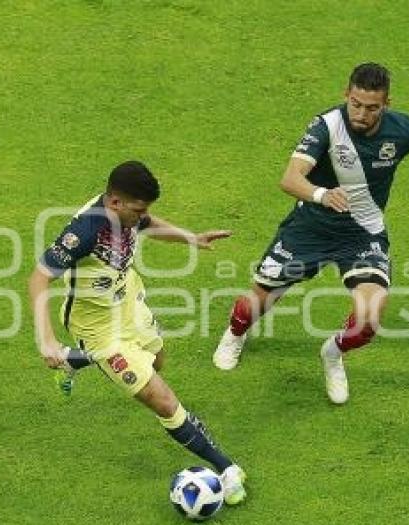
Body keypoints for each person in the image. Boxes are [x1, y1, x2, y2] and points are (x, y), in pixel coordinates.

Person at [213, 62, 409, 404]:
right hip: (309, 229)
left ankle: (333, 354)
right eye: (356, 103)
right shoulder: (327, 126)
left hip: (362, 234)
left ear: (386, 104)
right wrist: (323, 195)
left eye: (372, 108)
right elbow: (290, 178)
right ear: (346, 96)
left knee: (369, 320)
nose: (362, 114)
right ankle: (235, 334)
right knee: (253, 306)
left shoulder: (406, 130)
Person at [29, 161, 247, 504]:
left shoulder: (125, 209)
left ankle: (73, 362)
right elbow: (39, 276)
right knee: (161, 399)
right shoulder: (84, 232)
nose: (142, 217)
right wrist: (46, 338)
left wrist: (190, 238)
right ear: (115, 203)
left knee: (157, 362)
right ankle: (227, 469)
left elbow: (148, 224)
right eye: (138, 210)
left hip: (128, 300)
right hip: (97, 328)